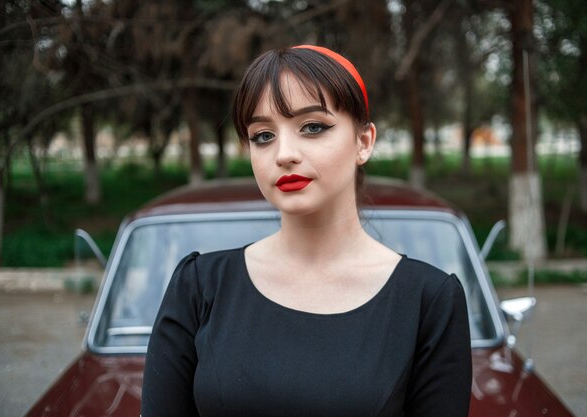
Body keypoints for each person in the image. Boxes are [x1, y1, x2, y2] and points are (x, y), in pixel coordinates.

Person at [141, 45, 471, 417]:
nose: (284, 153)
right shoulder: (200, 286)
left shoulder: (428, 301)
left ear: (364, 142)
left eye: (312, 127)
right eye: (263, 135)